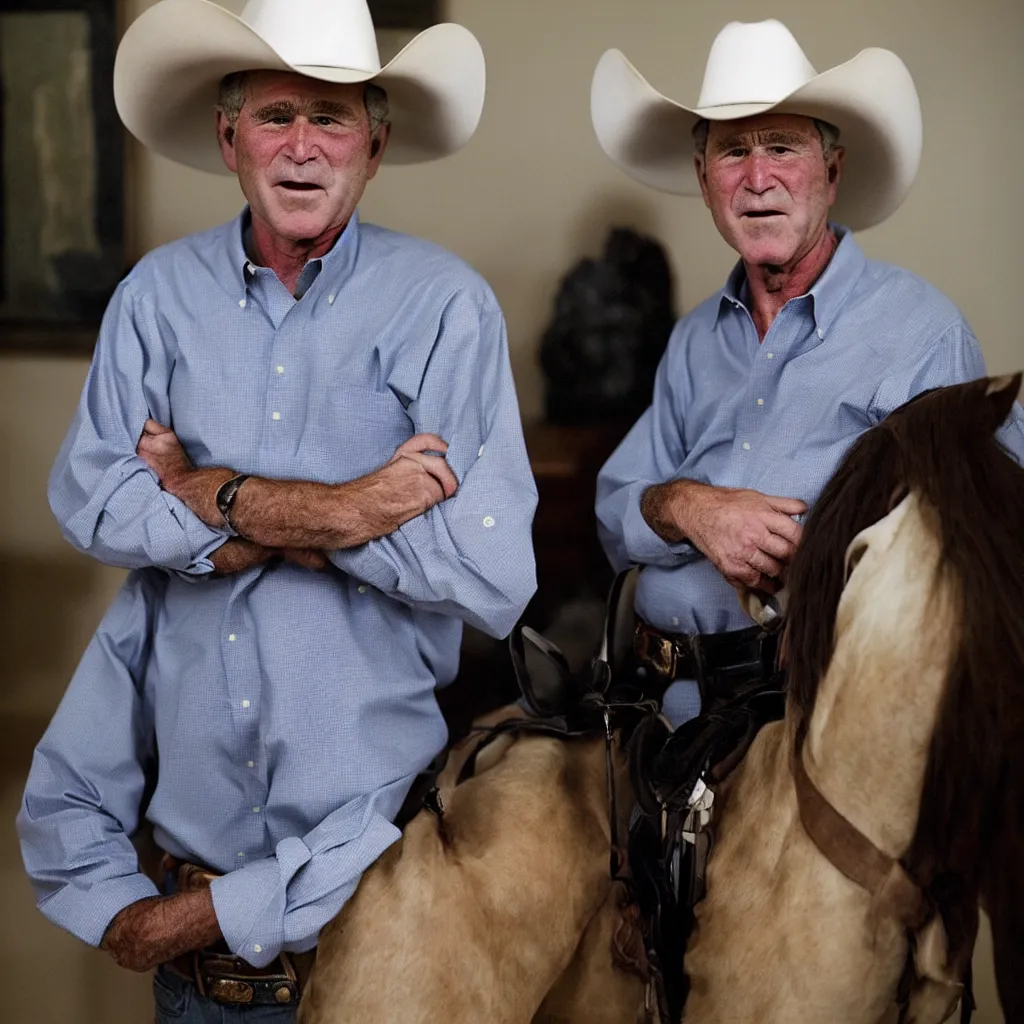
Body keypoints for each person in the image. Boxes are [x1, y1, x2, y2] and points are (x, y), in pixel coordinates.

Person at [17, 0, 537, 1019]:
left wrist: (207, 495)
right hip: (193, 957)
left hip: (386, 925)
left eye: (332, 119)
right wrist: (350, 511)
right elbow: (90, 496)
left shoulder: (446, 307)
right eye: (275, 116)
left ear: (376, 144)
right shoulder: (154, 300)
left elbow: (492, 575)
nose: (302, 148)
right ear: (228, 137)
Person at [590, 19, 1024, 724]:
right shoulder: (694, 338)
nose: (758, 179)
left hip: (821, 720)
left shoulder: (922, 332)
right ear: (704, 180)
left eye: (782, 148)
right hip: (658, 711)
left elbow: (986, 548)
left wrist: (823, 570)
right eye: (734, 152)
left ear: (833, 171)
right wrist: (688, 507)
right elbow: (616, 513)